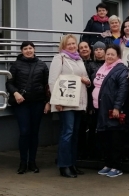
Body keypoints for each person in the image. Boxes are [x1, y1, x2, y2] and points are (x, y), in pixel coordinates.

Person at [49, 34, 91, 178]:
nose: (72, 46)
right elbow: (52, 81)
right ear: (64, 46)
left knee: (74, 135)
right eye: (69, 44)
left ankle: (72, 164)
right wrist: (56, 101)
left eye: (74, 44)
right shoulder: (59, 58)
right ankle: (64, 165)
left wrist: (87, 81)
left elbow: (85, 77)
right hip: (65, 102)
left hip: (78, 102)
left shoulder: (78, 59)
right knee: (67, 133)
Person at [6, 41, 50, 174]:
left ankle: (32, 162)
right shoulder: (16, 65)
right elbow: (9, 83)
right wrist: (16, 93)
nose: (28, 50)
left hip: (38, 103)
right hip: (22, 104)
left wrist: (48, 102)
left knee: (34, 133)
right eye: (25, 49)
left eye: (30, 48)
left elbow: (47, 85)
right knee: (24, 132)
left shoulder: (42, 65)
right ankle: (23, 162)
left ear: (34, 49)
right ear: (21, 51)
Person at [94, 44, 129, 178]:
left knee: (115, 139)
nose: (109, 56)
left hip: (112, 109)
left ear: (118, 56)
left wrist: (117, 107)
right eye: (107, 54)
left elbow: (122, 90)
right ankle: (108, 164)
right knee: (106, 138)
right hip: (101, 109)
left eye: (112, 54)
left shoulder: (121, 69)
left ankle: (116, 166)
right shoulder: (102, 68)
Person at [85, 41, 106, 159]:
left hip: (106, 101)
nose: (98, 51)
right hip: (93, 100)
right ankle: (92, 152)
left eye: (101, 49)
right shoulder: (90, 65)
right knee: (93, 127)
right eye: (96, 49)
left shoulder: (109, 64)